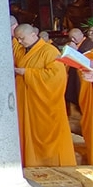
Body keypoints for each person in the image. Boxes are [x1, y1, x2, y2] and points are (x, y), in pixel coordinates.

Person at [13, 24, 72, 167]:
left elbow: (57, 77)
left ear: (33, 35)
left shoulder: (49, 51)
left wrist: (26, 73)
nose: (20, 42)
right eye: (17, 39)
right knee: (28, 135)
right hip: (27, 103)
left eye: (22, 38)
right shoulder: (21, 50)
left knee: (46, 139)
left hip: (45, 106)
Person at [65, 27, 92, 111]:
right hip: (85, 82)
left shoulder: (87, 44)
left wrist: (76, 51)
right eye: (90, 31)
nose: (90, 34)